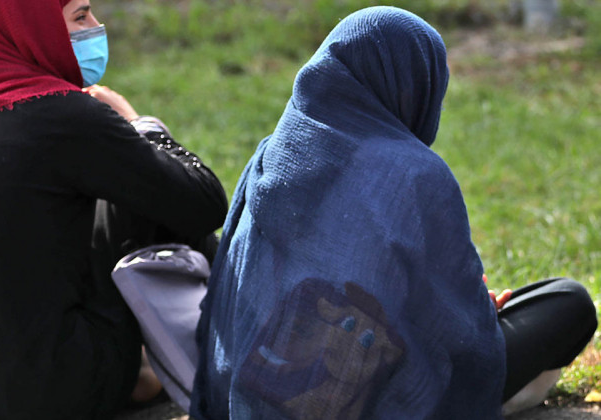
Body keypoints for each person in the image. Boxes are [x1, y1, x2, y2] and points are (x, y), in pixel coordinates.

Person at [190, 6, 597, 419]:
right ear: (418, 87)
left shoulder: (271, 155)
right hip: (365, 397)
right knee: (569, 303)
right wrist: (474, 313)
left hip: (244, 393)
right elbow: (462, 342)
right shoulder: (414, 175)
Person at [0, 0, 227, 418]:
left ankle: (147, 370)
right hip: (48, 397)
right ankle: (238, 360)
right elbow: (203, 203)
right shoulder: (60, 114)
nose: (97, 28)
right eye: (81, 16)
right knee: (157, 199)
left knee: (130, 187)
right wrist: (139, 126)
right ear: (29, 29)